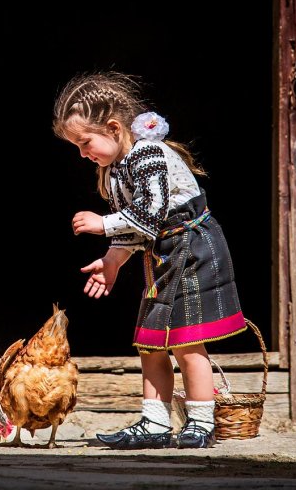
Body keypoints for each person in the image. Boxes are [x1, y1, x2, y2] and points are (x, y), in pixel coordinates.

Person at [53, 71, 246, 449]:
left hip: (191, 248)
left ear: (112, 127)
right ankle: (155, 422)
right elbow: (139, 230)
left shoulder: (149, 155)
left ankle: (201, 420)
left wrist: (101, 223)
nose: (82, 153)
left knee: (188, 342)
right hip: (162, 253)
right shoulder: (112, 171)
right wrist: (113, 260)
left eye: (85, 142)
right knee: (152, 342)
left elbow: (149, 216)